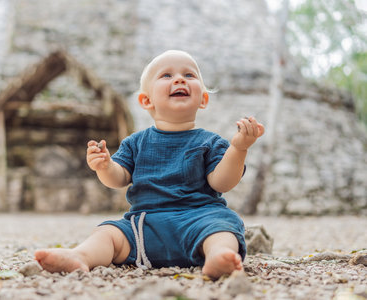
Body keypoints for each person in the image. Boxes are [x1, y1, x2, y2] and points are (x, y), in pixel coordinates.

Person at [35, 50, 265, 279]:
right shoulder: (136, 142)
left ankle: (218, 255)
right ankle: (81, 256)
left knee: (224, 226)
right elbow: (119, 178)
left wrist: (239, 148)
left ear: (203, 99)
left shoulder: (211, 142)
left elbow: (222, 182)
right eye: (166, 75)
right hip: (145, 227)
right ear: (146, 100)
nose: (179, 79)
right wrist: (104, 166)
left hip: (200, 220)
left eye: (189, 75)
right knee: (108, 232)